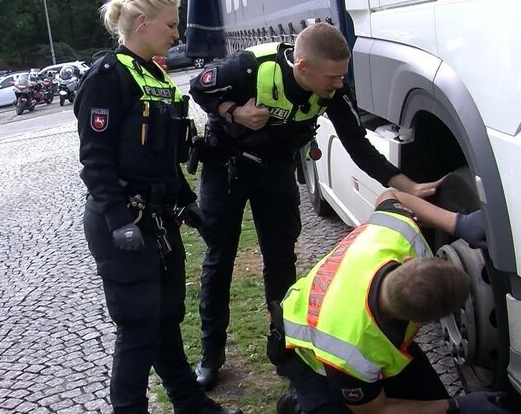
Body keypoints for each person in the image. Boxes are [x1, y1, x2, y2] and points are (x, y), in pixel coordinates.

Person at [188, 21, 445, 390]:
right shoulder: (250, 67)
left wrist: (409, 187)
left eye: (343, 75)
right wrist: (234, 112)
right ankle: (211, 356)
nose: (339, 84)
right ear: (303, 68)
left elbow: (358, 145)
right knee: (219, 259)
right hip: (226, 169)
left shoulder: (333, 89)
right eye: (332, 76)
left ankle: (285, 348)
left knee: (280, 260)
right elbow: (200, 86)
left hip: (275, 171)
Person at [75, 0, 244, 414]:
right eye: (171, 24)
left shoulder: (154, 75)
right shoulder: (108, 76)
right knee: (137, 328)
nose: (177, 33)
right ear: (142, 24)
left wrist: (188, 206)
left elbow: (163, 157)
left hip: (159, 219)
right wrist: (117, 221)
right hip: (123, 222)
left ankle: (191, 407)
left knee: (167, 318)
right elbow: (95, 159)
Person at [272, 190, 509, 414]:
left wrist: (457, 223)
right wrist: (459, 406)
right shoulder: (351, 350)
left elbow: (391, 195)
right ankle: (305, 405)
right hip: (308, 355)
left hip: (339, 322)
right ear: (415, 321)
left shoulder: (396, 237)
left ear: (407, 262)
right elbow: (377, 413)